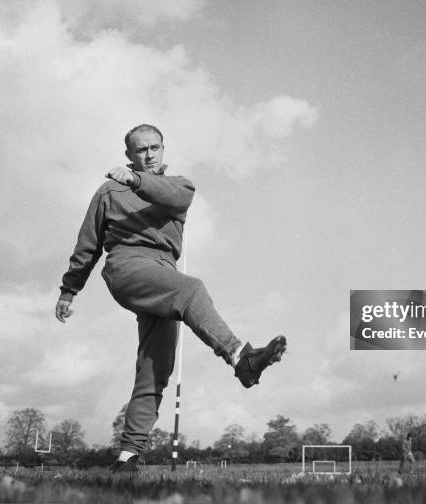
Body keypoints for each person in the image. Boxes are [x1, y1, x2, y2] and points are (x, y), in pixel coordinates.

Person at [55, 124, 286, 472]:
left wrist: (135, 182)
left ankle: (127, 458)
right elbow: (87, 243)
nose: (148, 155)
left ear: (163, 150)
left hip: (165, 273)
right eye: (140, 150)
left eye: (154, 148)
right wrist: (69, 290)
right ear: (128, 155)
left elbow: (175, 198)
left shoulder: (178, 186)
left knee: (155, 368)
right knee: (192, 289)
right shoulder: (108, 191)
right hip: (128, 264)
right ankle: (242, 357)